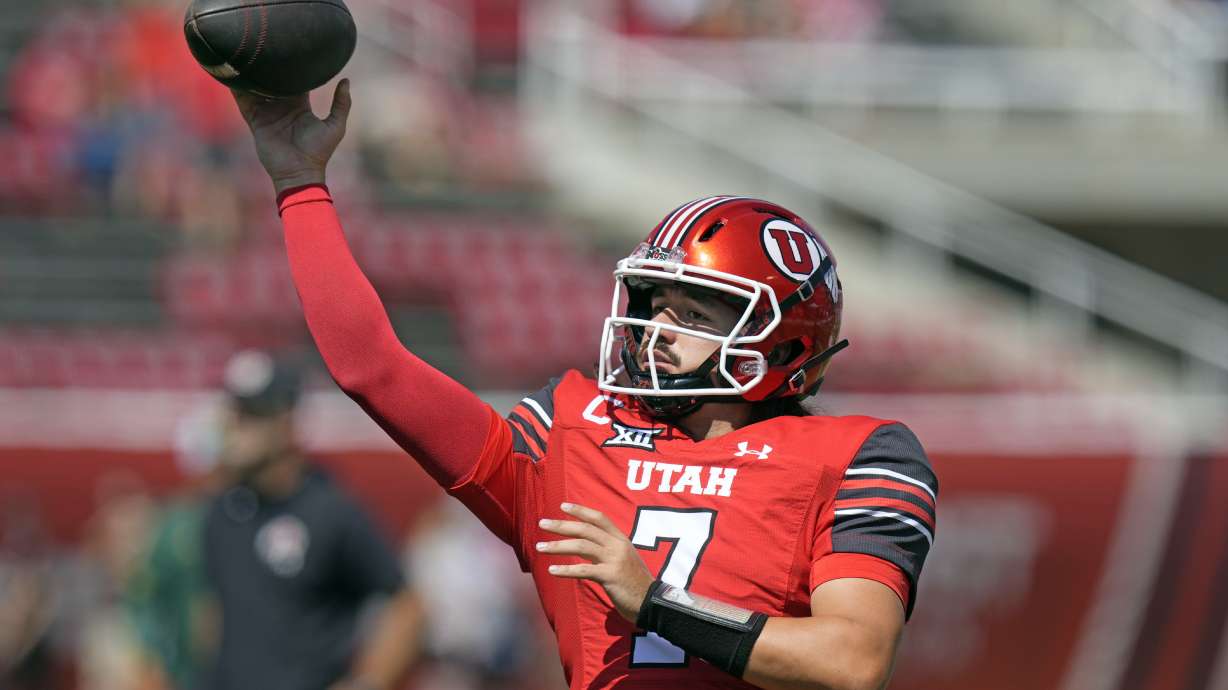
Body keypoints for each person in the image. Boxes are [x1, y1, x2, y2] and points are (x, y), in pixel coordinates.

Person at [230, 81, 937, 690]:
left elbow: (854, 660)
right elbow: (370, 367)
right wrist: (299, 185)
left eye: (692, 311)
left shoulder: (859, 454)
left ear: (780, 342)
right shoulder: (575, 428)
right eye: (654, 304)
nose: (657, 328)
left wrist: (654, 601)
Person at [201, 350, 424, 690]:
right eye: (234, 412)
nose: (236, 426)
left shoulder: (330, 510)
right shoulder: (223, 512)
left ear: (287, 422)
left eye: (252, 414)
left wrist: (365, 681)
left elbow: (406, 606)